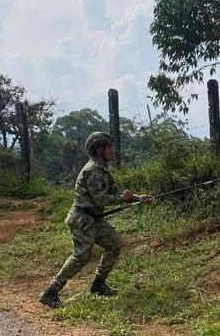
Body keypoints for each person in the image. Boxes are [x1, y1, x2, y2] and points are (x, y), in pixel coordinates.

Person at [39, 132, 151, 309]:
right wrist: (124, 198)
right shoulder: (93, 170)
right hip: (82, 219)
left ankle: (98, 285)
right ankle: (50, 292)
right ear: (100, 149)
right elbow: (101, 199)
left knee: (113, 243)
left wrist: (137, 197)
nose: (111, 150)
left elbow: (114, 191)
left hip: (93, 218)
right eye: (109, 147)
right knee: (81, 257)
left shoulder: (102, 168)